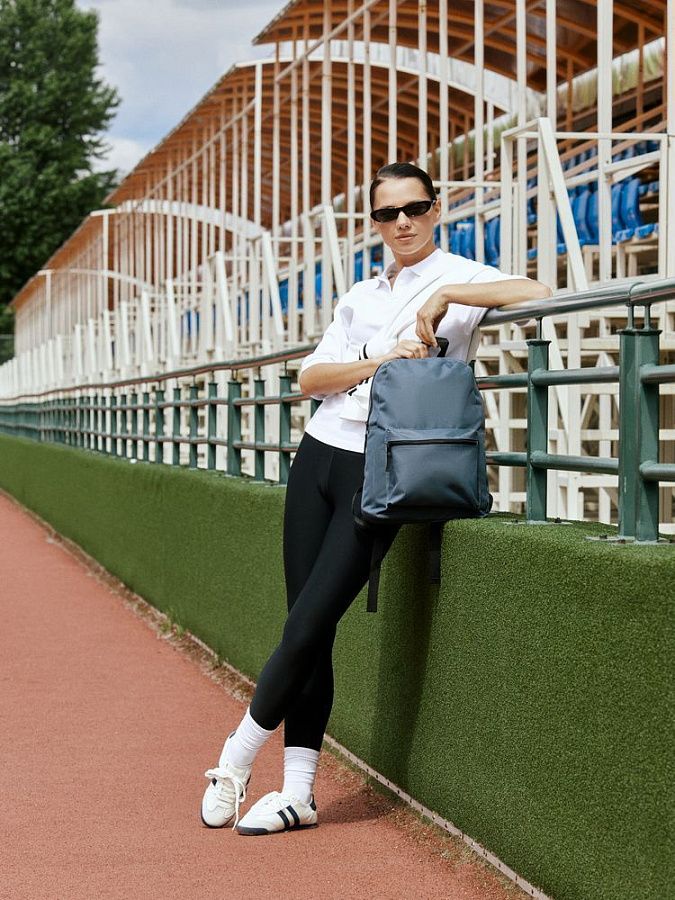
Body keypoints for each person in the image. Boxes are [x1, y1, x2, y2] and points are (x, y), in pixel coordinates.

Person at [200, 162, 552, 836]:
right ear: (374, 223)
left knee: (308, 623)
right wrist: (379, 358)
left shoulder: (463, 277)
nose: (403, 223)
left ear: (435, 209)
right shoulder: (361, 293)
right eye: (388, 214)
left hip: (384, 467)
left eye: (414, 208)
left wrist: (445, 295)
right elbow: (311, 379)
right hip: (318, 456)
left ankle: (235, 759)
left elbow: (538, 289)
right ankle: (298, 793)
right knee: (307, 626)